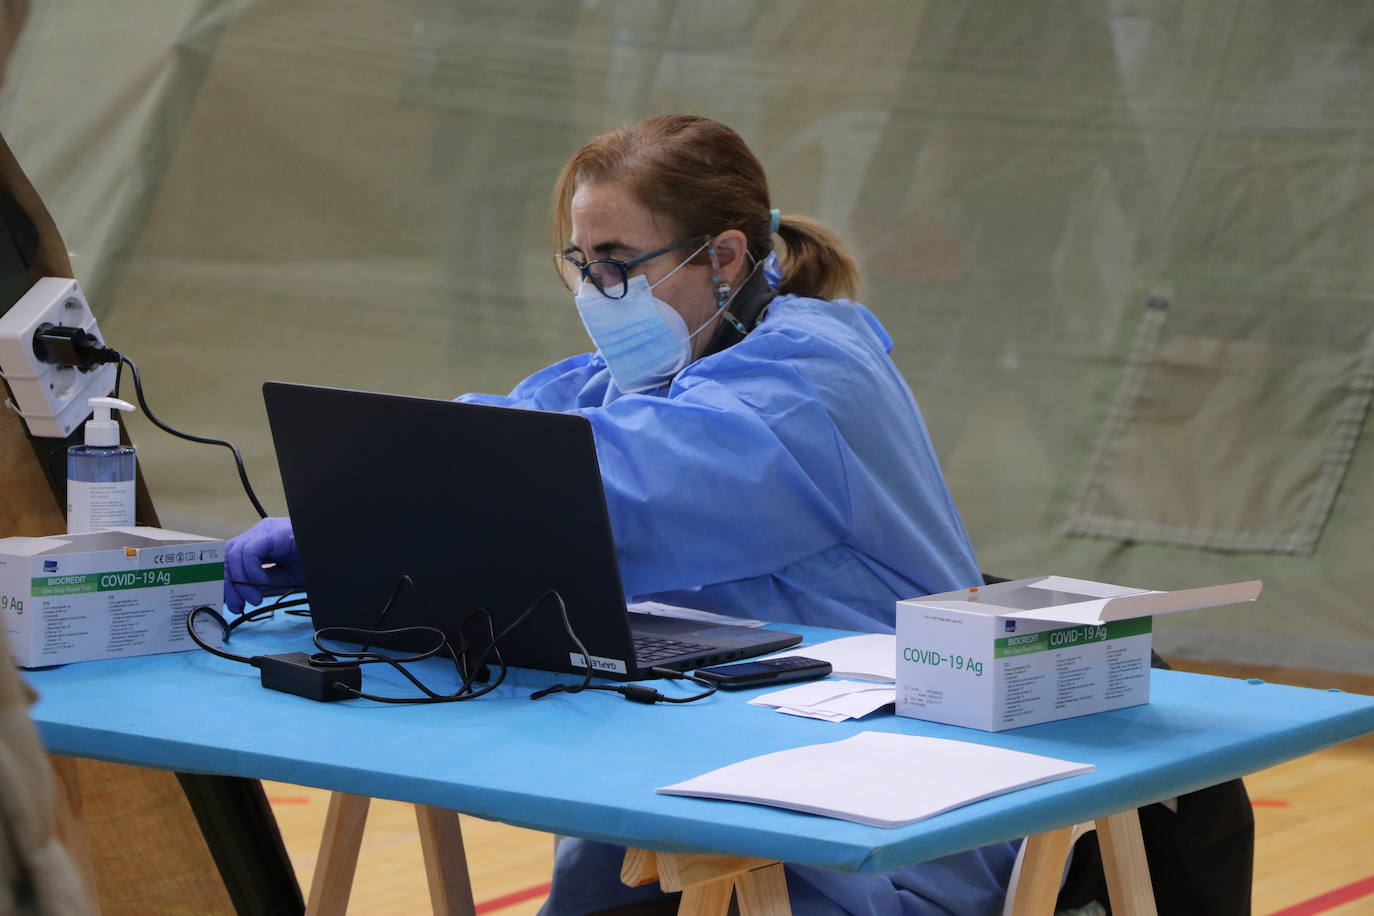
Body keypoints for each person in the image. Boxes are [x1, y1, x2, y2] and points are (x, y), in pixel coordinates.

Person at [224, 114, 1018, 915]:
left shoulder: (812, 382)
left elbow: (608, 488)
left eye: (617, 263)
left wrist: (368, 519)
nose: (595, 292)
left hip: (877, 812)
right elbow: (505, 435)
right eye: (580, 262)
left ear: (724, 256)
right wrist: (347, 512)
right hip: (703, 773)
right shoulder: (637, 377)